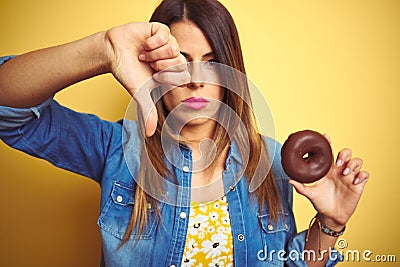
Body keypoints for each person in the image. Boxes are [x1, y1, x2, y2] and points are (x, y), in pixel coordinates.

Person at [0, 0, 369, 266]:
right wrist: (103, 49)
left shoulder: (271, 162)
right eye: (178, 63)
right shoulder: (117, 150)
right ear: (152, 70)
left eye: (211, 63)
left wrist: (330, 224)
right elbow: (8, 111)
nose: (195, 80)